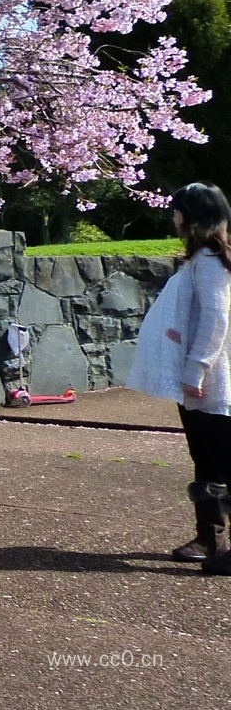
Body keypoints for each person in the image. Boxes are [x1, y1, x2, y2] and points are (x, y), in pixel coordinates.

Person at [133, 183, 231, 573]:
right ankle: (211, 540)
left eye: (177, 211)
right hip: (201, 383)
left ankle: (217, 545)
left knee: (220, 460)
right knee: (207, 460)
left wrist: (197, 368)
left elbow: (216, 317)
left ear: (191, 216)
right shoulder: (203, 258)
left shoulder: (210, 260)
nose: (173, 217)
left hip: (210, 382)